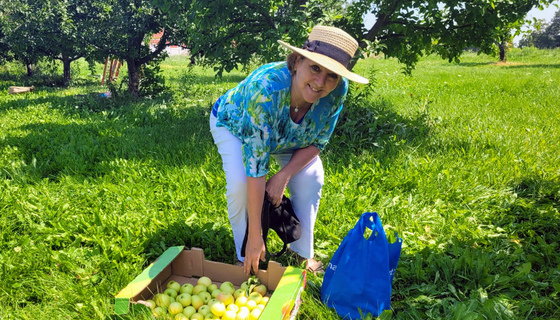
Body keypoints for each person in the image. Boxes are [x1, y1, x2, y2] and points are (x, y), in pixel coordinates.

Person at [209, 25, 369, 275]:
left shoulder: (337, 91)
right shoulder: (266, 91)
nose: (320, 82)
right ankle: (245, 254)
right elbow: (255, 166)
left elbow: (319, 141)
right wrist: (256, 236)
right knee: (240, 182)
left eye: (332, 75)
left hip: (292, 135)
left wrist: (283, 176)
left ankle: (301, 252)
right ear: (296, 62)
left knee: (311, 177)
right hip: (236, 123)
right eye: (315, 68)